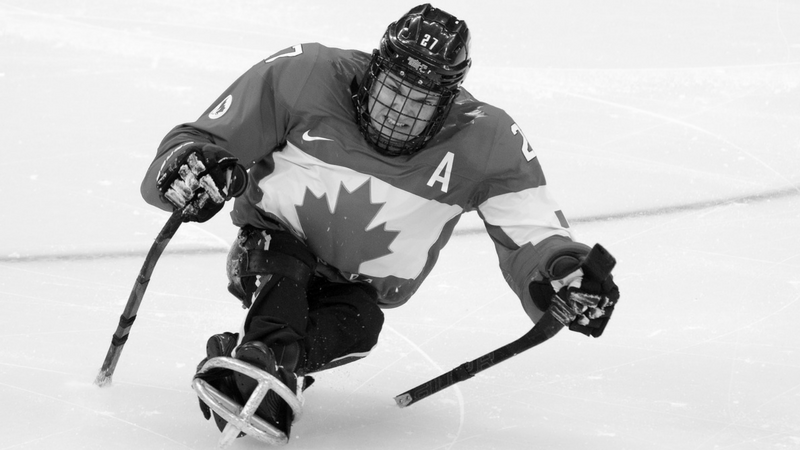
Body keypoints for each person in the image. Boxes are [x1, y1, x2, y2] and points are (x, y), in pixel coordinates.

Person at [141, 3, 620, 444]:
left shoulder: (486, 139)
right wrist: (192, 167)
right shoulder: (302, 74)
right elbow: (201, 138)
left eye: (420, 102)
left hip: (358, 284)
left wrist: (565, 273)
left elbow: (534, 231)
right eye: (392, 91)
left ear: (448, 100)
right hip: (269, 244)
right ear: (373, 70)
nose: (398, 113)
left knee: (359, 327)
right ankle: (263, 366)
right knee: (284, 271)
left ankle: (254, 360)